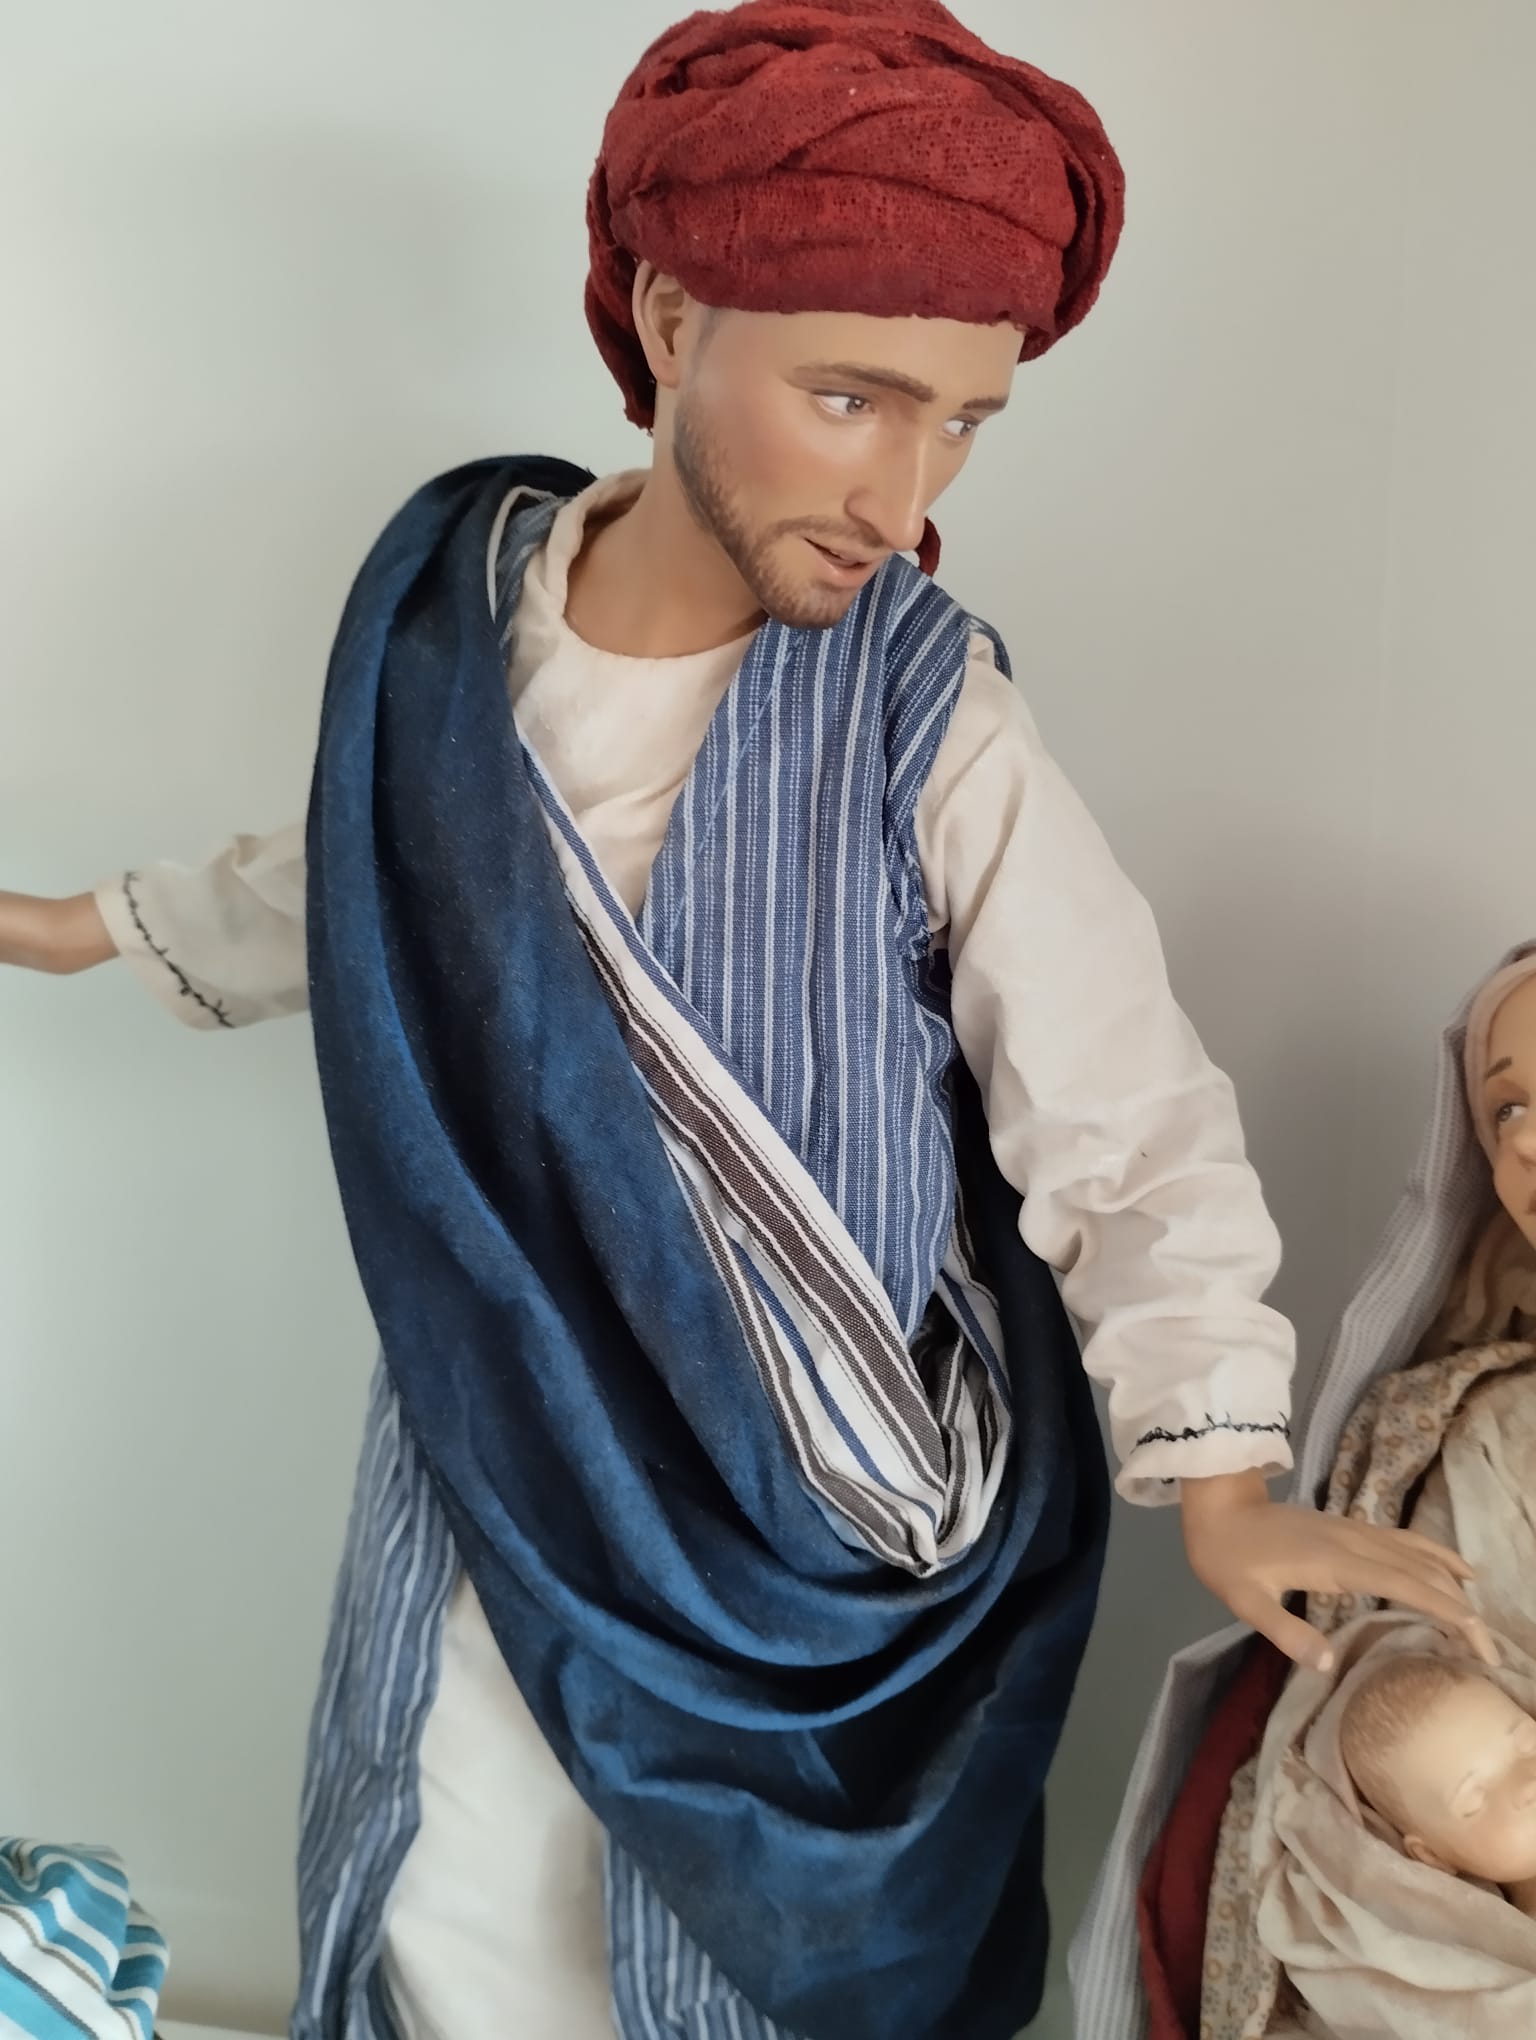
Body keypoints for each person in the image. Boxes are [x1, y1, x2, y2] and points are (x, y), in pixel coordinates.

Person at [0, 3, 1492, 2035]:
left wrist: (1222, 1464)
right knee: (458, 1885)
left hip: (825, 1528)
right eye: (853, 398)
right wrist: (70, 930)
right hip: (504, 1424)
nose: (904, 489)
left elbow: (1118, 1105)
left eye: (964, 422)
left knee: (718, 1968)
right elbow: (348, 876)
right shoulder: (454, 627)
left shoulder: (927, 705)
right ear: (671, 314)